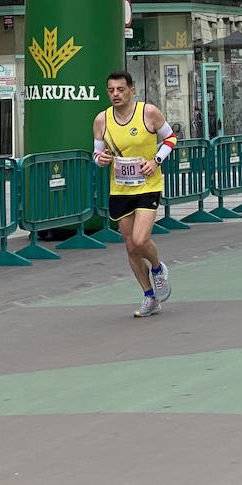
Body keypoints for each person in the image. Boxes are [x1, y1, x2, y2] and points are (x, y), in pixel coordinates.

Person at [92, 71, 174, 318]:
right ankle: (150, 297)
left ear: (131, 90)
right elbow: (96, 154)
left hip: (148, 186)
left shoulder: (148, 113)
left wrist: (156, 160)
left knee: (140, 240)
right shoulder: (101, 120)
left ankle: (158, 269)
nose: (115, 94)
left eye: (120, 89)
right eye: (111, 90)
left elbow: (170, 138)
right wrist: (101, 159)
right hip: (119, 189)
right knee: (130, 247)